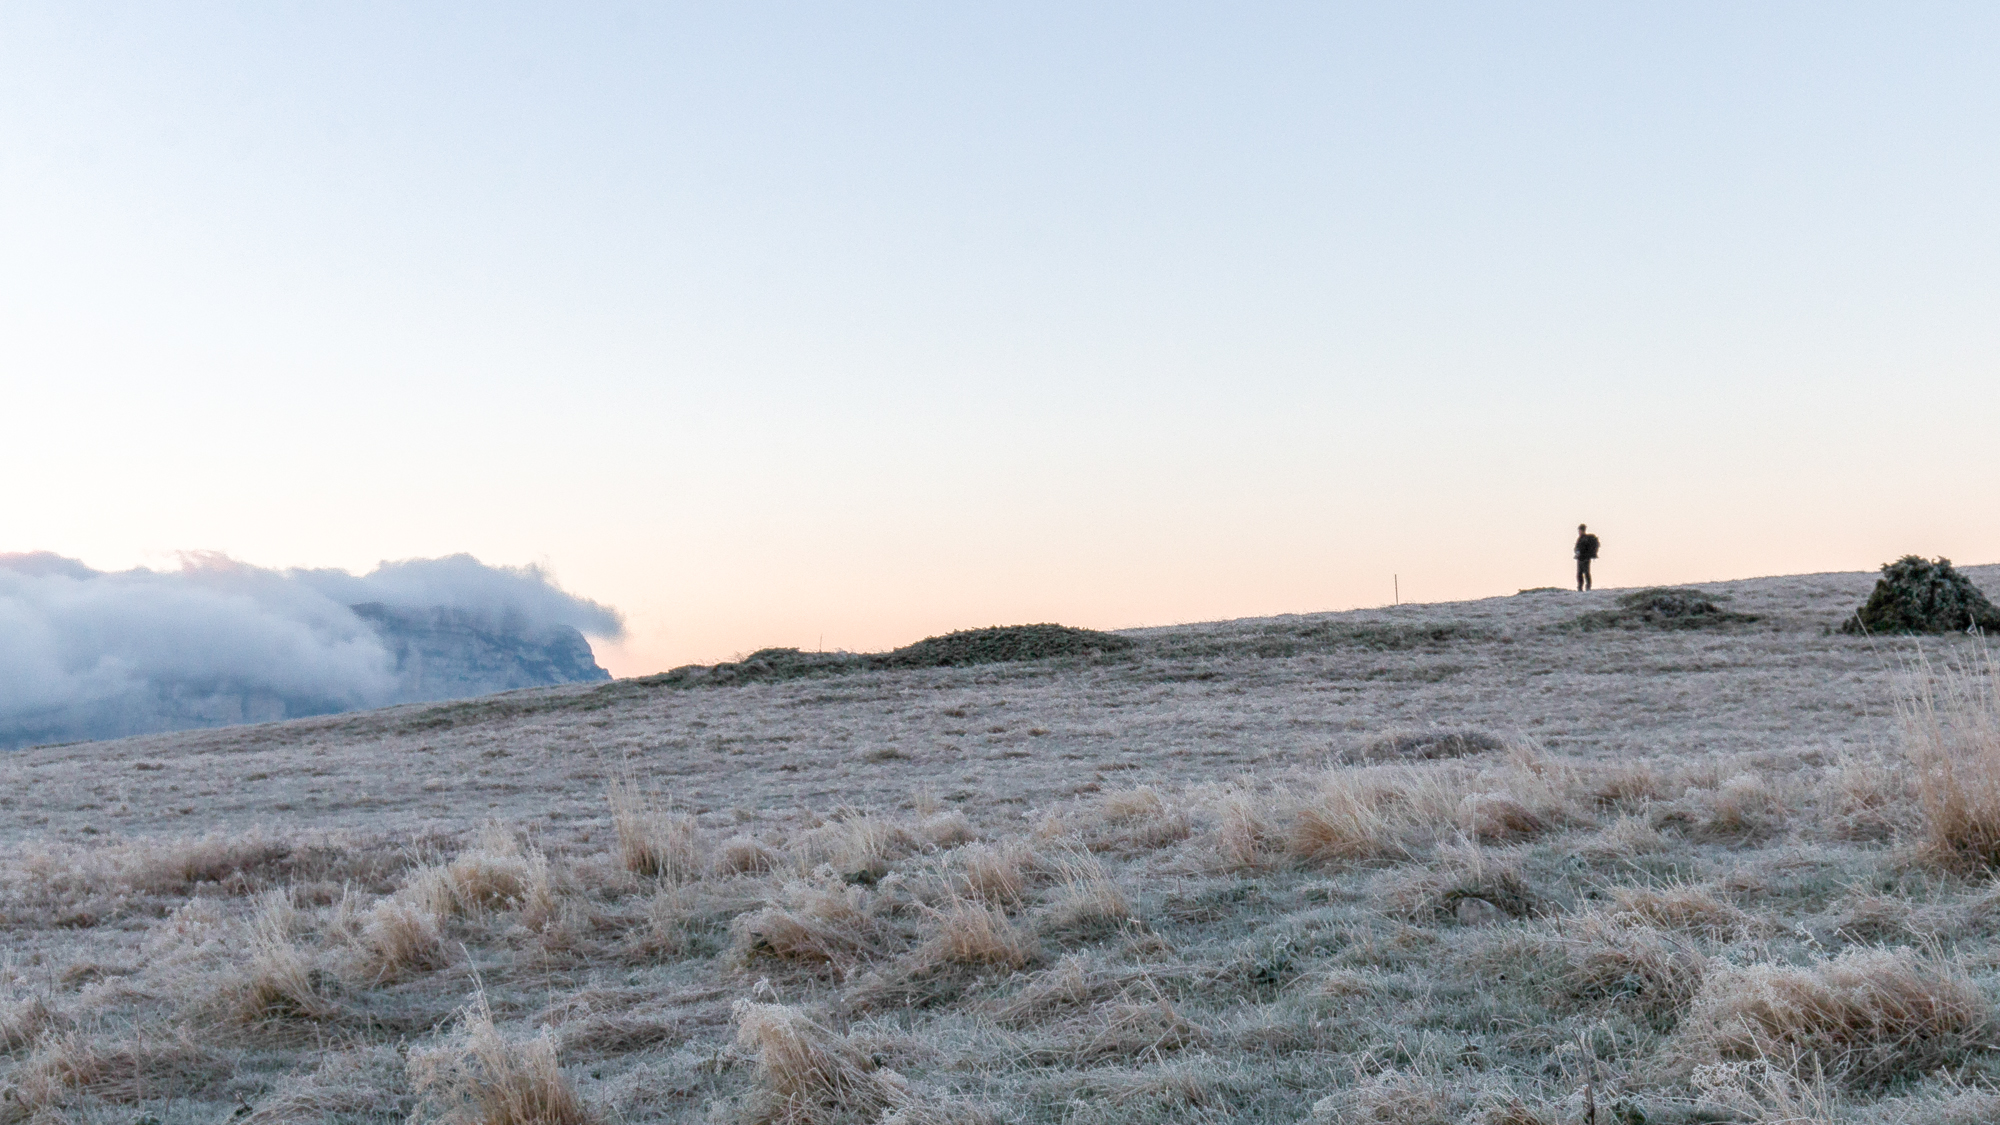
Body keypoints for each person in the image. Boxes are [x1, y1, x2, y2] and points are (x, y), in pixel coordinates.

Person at [1574, 523, 1600, 591]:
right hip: (1581, 558)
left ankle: (1585, 587)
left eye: (1579, 530)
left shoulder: (1584, 539)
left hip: (1584, 558)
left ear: (1582, 530)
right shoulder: (1581, 538)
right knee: (1582, 573)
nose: (1579, 532)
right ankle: (1582, 587)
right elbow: (1576, 548)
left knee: (1585, 573)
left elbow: (1578, 548)